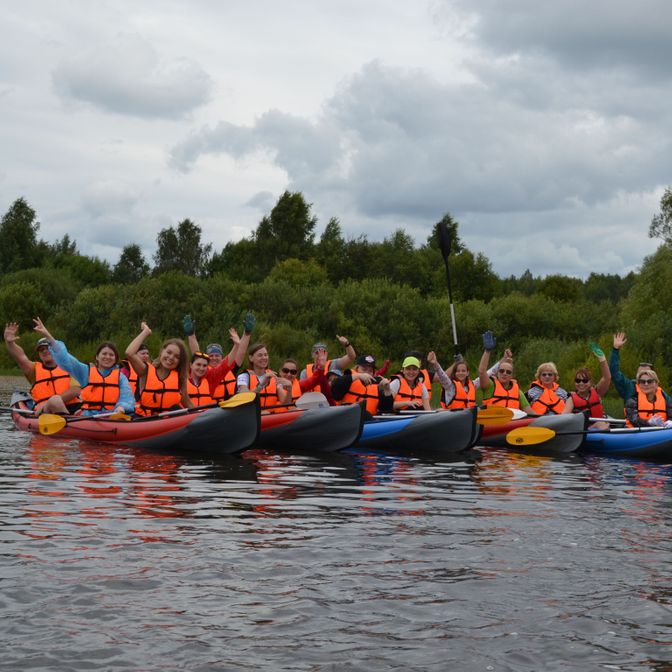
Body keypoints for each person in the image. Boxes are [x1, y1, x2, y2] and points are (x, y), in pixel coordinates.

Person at [32, 317, 135, 416]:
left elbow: (127, 398)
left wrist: (121, 407)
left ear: (115, 359)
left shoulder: (120, 377)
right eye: (104, 354)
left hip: (112, 416)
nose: (107, 357)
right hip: (88, 418)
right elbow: (66, 358)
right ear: (97, 357)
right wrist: (48, 336)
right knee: (55, 400)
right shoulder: (86, 372)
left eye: (111, 355)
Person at [3, 322, 82, 415]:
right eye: (41, 350)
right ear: (39, 354)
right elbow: (20, 357)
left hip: (73, 408)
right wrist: (10, 343)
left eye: (48, 348)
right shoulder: (33, 369)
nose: (45, 351)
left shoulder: (68, 367)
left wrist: (54, 400)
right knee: (55, 402)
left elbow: (75, 390)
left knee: (83, 409)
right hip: (45, 412)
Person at [183, 313, 255, 401]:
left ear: (222, 357)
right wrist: (191, 335)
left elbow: (240, 352)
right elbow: (197, 355)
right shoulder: (204, 373)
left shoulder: (228, 369)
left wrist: (246, 334)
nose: (214, 358)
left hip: (228, 409)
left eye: (217, 355)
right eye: (211, 356)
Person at [125, 322, 193, 416]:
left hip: (168, 422)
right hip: (145, 421)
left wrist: (201, 415)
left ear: (180, 362)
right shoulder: (145, 371)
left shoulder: (180, 378)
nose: (171, 358)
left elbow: (187, 402)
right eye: (169, 352)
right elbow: (129, 353)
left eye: (177, 357)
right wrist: (145, 332)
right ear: (162, 352)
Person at [428, 348, 512, 410]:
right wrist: (435, 363)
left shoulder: (473, 385)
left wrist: (503, 359)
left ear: (467, 373)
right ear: (455, 373)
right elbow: (442, 376)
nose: (461, 373)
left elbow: (490, 372)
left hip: (468, 419)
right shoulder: (450, 386)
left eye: (463, 371)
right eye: (458, 371)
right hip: (452, 418)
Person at [609, 331, 672, 404]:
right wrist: (615, 349)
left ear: (654, 379)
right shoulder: (629, 387)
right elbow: (614, 372)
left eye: (648, 376)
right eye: (641, 374)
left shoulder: (662, 395)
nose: (645, 381)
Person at [478, 331, 533, 412]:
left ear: (512, 376)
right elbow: (482, 371)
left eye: (508, 372)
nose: (504, 373)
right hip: (493, 422)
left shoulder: (518, 392)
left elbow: (530, 412)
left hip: (512, 423)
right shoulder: (490, 385)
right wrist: (487, 351)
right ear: (497, 373)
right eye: (501, 371)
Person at [562, 344, 612, 429]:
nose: (581, 383)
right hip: (583, 431)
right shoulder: (571, 400)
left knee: (602, 424)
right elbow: (563, 418)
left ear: (590, 382)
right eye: (578, 380)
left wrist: (602, 359)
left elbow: (607, 377)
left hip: (599, 427)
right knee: (600, 424)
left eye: (585, 381)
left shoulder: (597, 392)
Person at [236, 343, 292, 411]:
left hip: (269, 418)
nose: (264, 358)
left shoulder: (273, 377)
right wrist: (261, 385)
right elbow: (245, 398)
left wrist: (289, 390)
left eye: (266, 355)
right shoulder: (244, 377)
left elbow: (286, 403)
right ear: (251, 358)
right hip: (251, 418)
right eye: (260, 355)